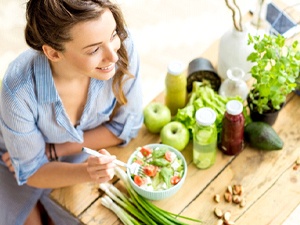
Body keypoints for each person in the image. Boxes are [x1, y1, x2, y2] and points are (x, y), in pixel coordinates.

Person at [0, 0, 143, 224]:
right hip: (13, 155)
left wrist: (55, 151)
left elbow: (127, 126)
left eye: (113, 34)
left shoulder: (121, 48)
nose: (113, 57)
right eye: (94, 49)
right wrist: (87, 172)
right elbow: (32, 171)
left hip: (75, 152)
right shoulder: (18, 90)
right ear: (53, 53)